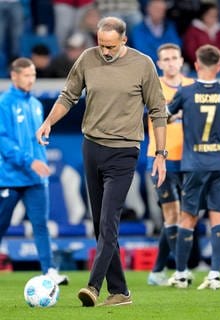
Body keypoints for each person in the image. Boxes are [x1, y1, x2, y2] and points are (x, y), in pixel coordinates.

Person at [36, 16, 167, 307]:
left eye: (110, 46)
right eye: (100, 44)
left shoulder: (143, 64)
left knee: (109, 222)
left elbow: (158, 110)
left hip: (124, 151)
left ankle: (94, 287)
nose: (104, 51)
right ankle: (120, 292)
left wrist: (160, 153)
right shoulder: (87, 58)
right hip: (92, 147)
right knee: (100, 225)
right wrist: (48, 122)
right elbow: (68, 95)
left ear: (124, 41)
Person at [167, 44, 220, 289]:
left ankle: (181, 273)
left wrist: (180, 116)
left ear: (197, 65)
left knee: (188, 218)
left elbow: (163, 116)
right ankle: (214, 275)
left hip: (195, 163)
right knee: (218, 219)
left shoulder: (186, 92)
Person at [0, 58, 69, 285]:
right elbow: (4, 141)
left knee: (40, 225)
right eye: (27, 75)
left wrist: (39, 158)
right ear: (14, 76)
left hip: (36, 178)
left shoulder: (37, 105)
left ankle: (49, 271)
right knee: (2, 223)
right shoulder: (4, 103)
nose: (31, 80)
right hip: (10, 177)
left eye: (33, 75)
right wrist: (29, 161)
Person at [146, 43, 195, 286]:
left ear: (181, 60)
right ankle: (180, 270)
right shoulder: (152, 86)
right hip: (160, 157)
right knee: (172, 212)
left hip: (188, 158)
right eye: (165, 58)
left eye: (174, 57)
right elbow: (157, 117)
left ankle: (157, 271)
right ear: (159, 63)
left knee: (184, 215)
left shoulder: (192, 87)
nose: (171, 62)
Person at [130, 0, 181, 72]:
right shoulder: (138, 29)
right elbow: (142, 51)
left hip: (168, 68)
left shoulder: (169, 26)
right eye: (156, 9)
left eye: (161, 10)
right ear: (148, 9)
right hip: (147, 69)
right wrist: (164, 58)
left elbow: (175, 46)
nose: (159, 12)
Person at [182, 2, 220, 72]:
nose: (213, 18)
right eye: (210, 15)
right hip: (198, 70)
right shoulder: (193, 32)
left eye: (215, 15)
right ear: (203, 15)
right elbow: (191, 52)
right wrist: (205, 66)